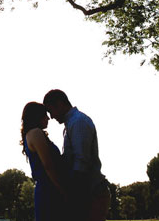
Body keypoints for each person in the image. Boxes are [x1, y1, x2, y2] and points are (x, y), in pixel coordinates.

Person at [43, 90, 110, 221]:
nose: (51, 117)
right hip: (88, 192)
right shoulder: (71, 124)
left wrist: (72, 197)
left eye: (51, 111)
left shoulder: (78, 122)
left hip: (91, 193)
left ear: (60, 104)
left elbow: (81, 163)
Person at [21, 101, 69, 221]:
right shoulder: (35, 133)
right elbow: (48, 166)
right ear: (37, 117)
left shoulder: (33, 134)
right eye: (44, 115)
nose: (48, 118)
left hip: (48, 189)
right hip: (50, 191)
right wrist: (63, 190)